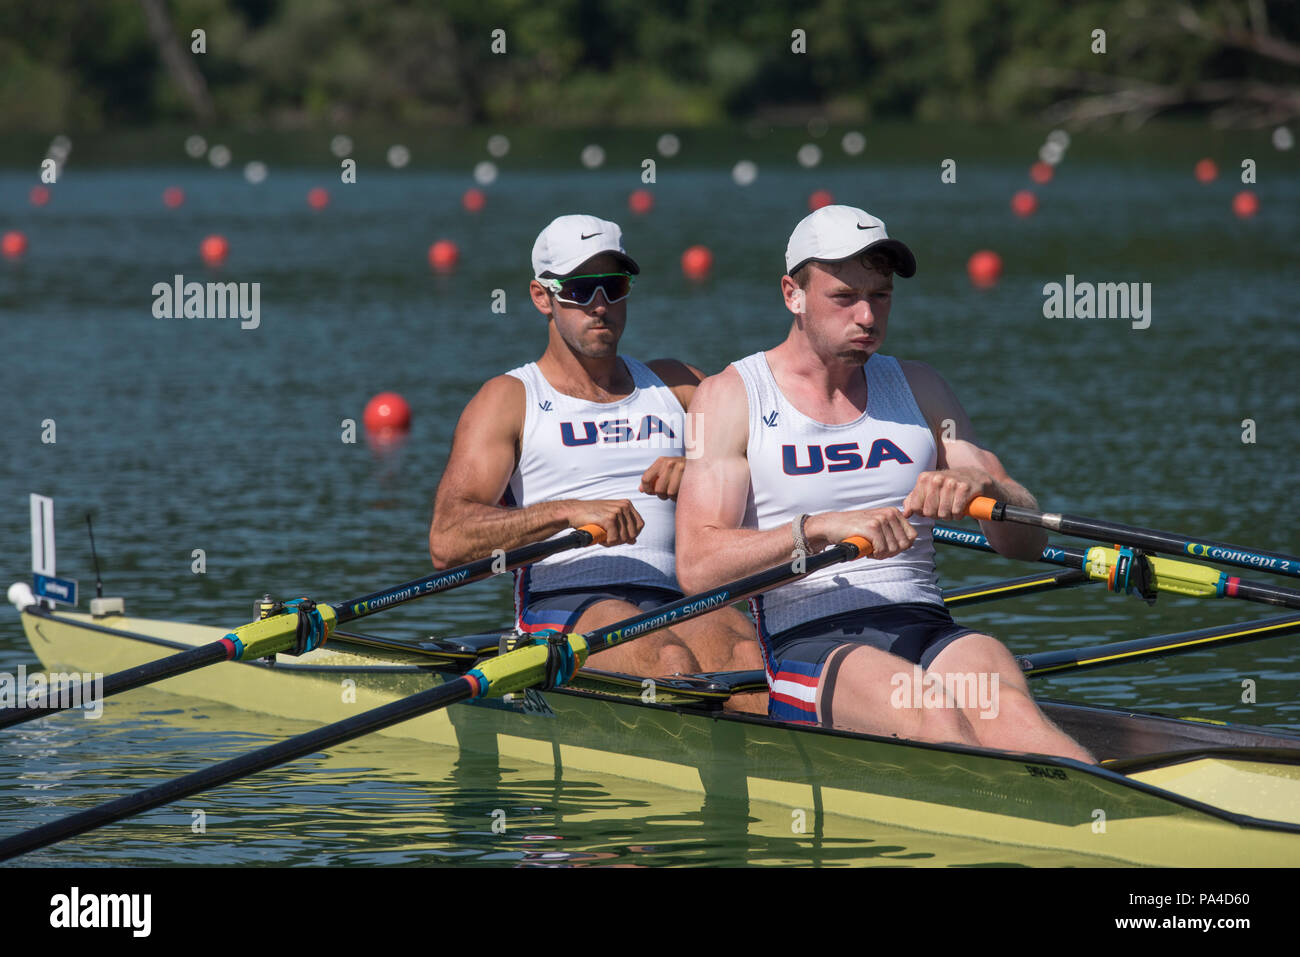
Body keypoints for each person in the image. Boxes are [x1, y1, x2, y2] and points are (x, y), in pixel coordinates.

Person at [675, 205, 1093, 760]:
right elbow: (697, 566)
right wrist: (820, 528)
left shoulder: (920, 387)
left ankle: (1117, 826)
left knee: (1010, 706)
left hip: (925, 625)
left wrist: (986, 489)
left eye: (881, 295)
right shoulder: (731, 397)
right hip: (811, 642)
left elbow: (1026, 541)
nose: (867, 316)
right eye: (845, 297)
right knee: (924, 708)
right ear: (792, 294)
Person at [428, 214, 761, 684]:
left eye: (613, 286)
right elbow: (447, 541)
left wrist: (704, 471)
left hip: (675, 591)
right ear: (541, 297)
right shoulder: (508, 400)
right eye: (580, 289)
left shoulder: (681, 386)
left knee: (750, 659)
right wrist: (567, 513)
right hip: (566, 599)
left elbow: (773, 473)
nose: (600, 305)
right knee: (669, 662)